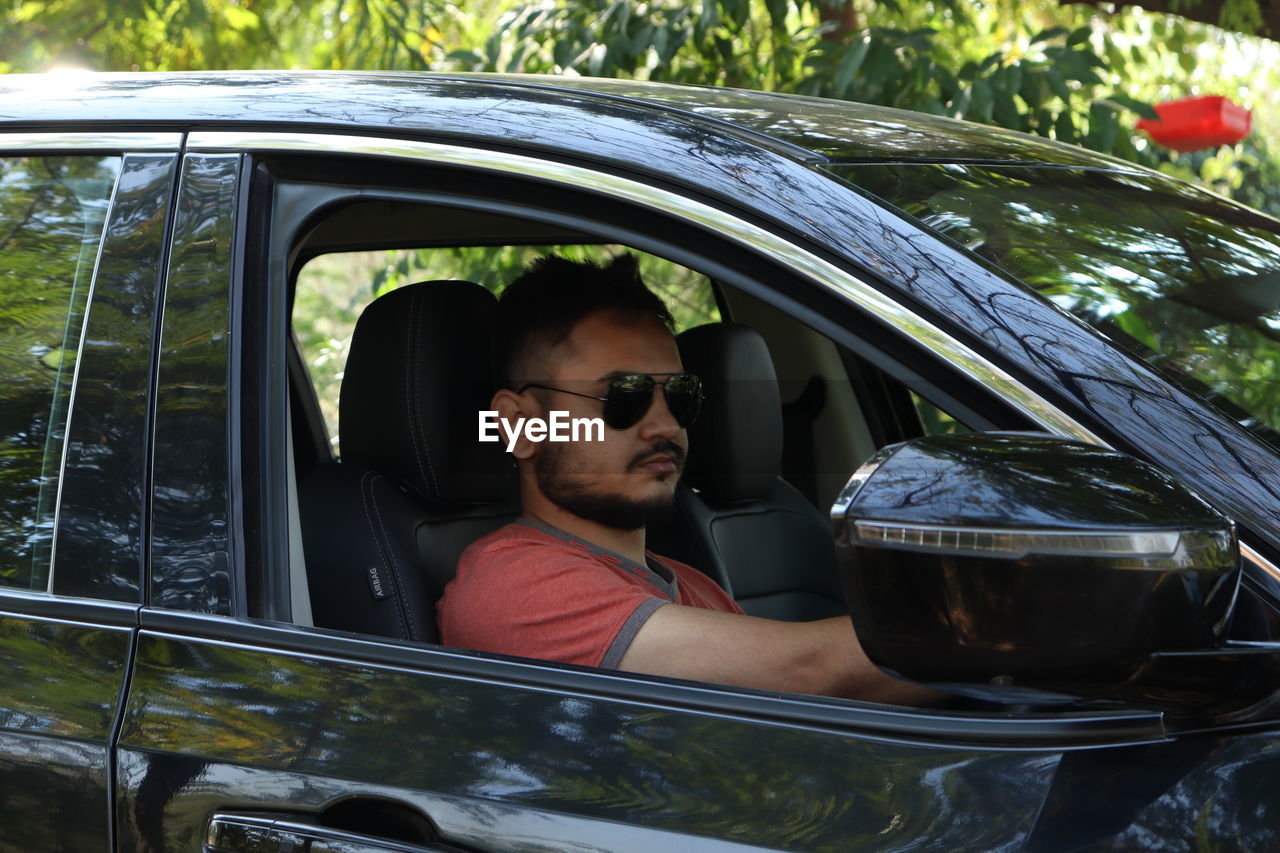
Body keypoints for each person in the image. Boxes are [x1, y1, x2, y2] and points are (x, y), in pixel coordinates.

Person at [437, 254, 931, 703]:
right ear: (522, 425)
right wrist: (984, 628)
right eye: (623, 396)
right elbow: (811, 673)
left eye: (679, 395)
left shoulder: (692, 585)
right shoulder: (513, 586)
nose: (666, 426)